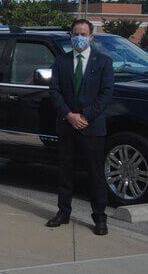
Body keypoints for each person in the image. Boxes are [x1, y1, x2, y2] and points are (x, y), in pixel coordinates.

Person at [46, 19, 114, 236]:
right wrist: (69, 115)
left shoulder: (103, 62)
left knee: (95, 175)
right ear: (70, 35)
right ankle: (63, 212)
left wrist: (85, 116)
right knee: (65, 173)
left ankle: (100, 218)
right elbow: (54, 91)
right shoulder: (61, 62)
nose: (79, 37)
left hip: (92, 128)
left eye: (83, 33)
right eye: (76, 33)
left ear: (91, 37)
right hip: (67, 126)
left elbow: (106, 93)